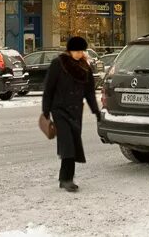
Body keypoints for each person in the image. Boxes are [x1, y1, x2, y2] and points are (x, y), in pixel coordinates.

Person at [42, 36, 101, 193]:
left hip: (76, 111)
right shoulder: (58, 63)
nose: (78, 53)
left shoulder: (85, 67)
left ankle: (65, 178)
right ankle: (67, 179)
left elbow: (89, 93)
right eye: (76, 50)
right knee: (67, 143)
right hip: (60, 110)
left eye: (81, 51)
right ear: (69, 50)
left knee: (73, 144)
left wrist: (96, 111)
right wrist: (46, 111)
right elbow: (48, 88)